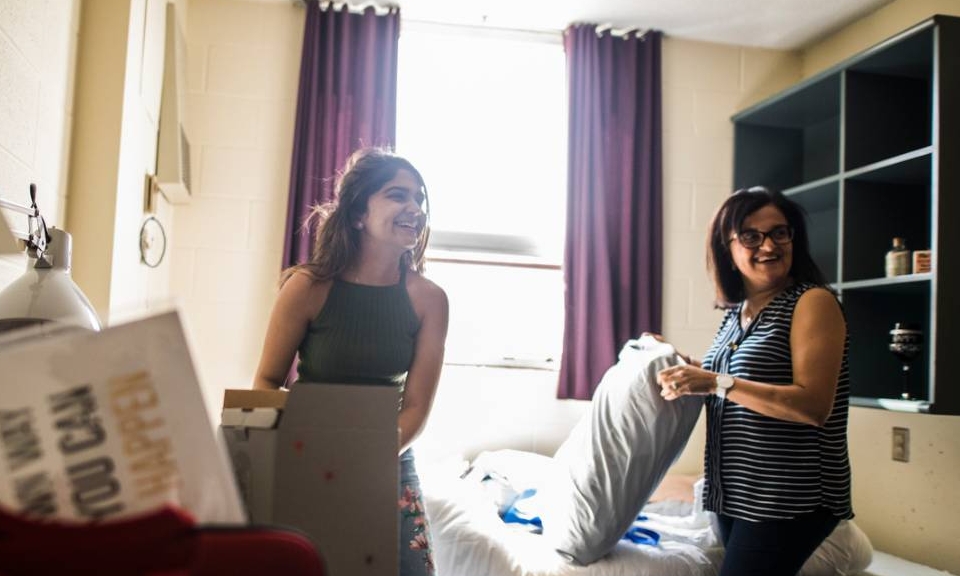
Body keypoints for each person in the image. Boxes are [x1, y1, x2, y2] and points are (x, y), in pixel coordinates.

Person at [253, 147, 449, 576]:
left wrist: (367, 461)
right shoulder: (307, 287)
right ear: (359, 214)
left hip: (387, 455)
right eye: (398, 195)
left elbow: (415, 407)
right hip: (306, 453)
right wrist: (278, 457)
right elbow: (267, 379)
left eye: (420, 198)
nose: (414, 208)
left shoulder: (430, 301)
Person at [655, 186, 852, 576]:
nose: (768, 245)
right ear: (727, 247)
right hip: (739, 493)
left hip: (788, 498)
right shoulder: (738, 313)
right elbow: (735, 377)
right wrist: (678, 362)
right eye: (751, 236)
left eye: (780, 232)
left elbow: (813, 406)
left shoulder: (812, 302)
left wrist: (713, 381)